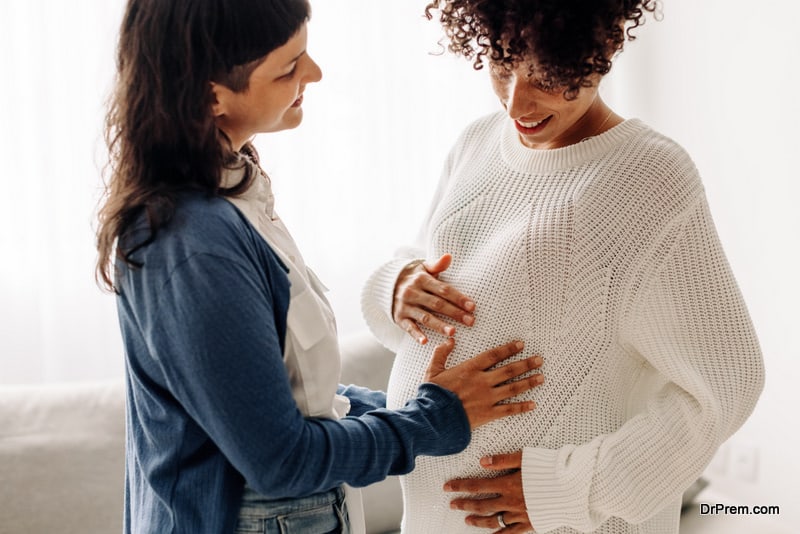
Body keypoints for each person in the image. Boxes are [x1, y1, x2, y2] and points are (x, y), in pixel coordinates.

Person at [94, 1, 547, 533]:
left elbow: (281, 398)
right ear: (211, 94)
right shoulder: (194, 247)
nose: (314, 73)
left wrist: (407, 402)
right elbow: (283, 459)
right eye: (289, 67)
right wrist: (435, 418)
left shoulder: (232, 199)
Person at [360, 1, 765, 532]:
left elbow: (730, 378)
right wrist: (395, 288)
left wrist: (568, 488)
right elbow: (422, 275)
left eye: (546, 77)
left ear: (600, 53)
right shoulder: (477, 144)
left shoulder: (647, 177)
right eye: (503, 67)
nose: (515, 102)